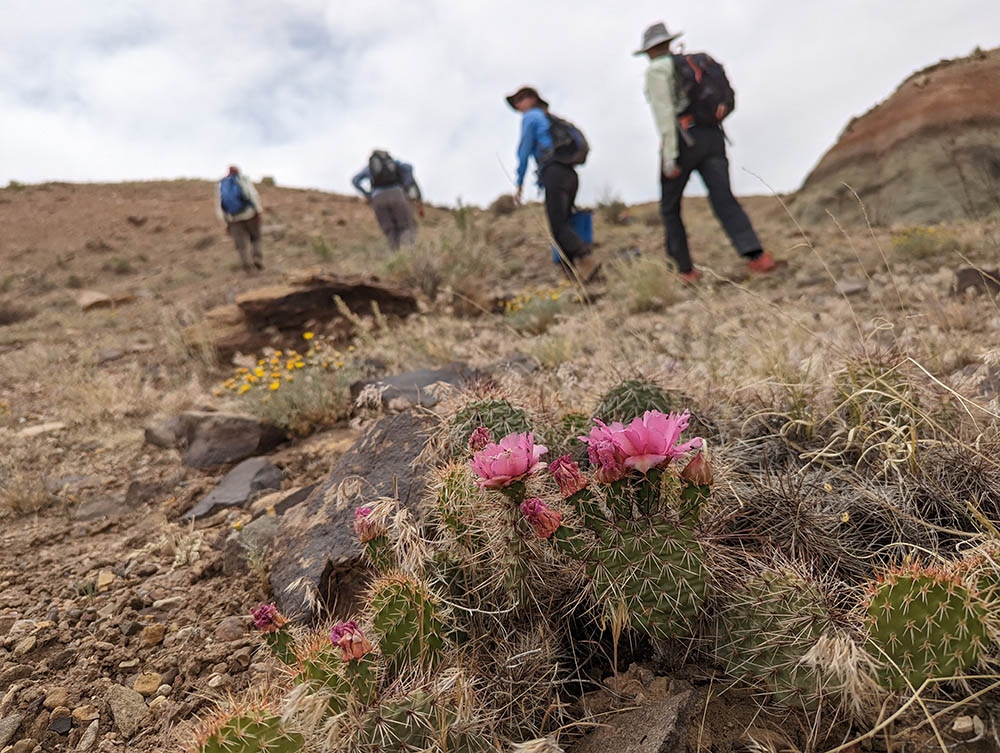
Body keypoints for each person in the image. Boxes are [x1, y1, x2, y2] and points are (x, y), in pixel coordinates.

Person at [635, 22, 778, 282]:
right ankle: (757, 256)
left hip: (684, 139)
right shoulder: (692, 64)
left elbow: (664, 114)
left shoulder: (657, 71)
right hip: (712, 137)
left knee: (670, 207)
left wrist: (670, 156)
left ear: (650, 50)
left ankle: (684, 269)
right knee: (723, 197)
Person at [506, 86, 599, 282]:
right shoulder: (550, 118)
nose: (517, 105)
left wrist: (519, 182)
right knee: (565, 221)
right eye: (515, 102)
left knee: (558, 226)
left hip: (553, 173)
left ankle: (585, 258)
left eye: (520, 99)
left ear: (532, 99)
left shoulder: (531, 117)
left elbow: (524, 150)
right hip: (570, 174)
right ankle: (571, 274)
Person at [352, 150, 424, 250]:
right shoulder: (393, 163)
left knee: (389, 230)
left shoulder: (369, 168)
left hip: (377, 198)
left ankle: (396, 256)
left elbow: (355, 180)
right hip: (396, 194)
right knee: (405, 226)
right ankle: (409, 253)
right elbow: (409, 167)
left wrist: (368, 194)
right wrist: (405, 185)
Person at [217, 166, 264, 272]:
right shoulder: (243, 179)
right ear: (238, 171)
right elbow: (252, 195)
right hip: (249, 214)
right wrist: (258, 211)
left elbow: (219, 205)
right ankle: (257, 259)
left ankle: (246, 266)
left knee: (240, 245)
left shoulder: (222, 184)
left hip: (233, 219)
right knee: (255, 238)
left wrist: (226, 223)